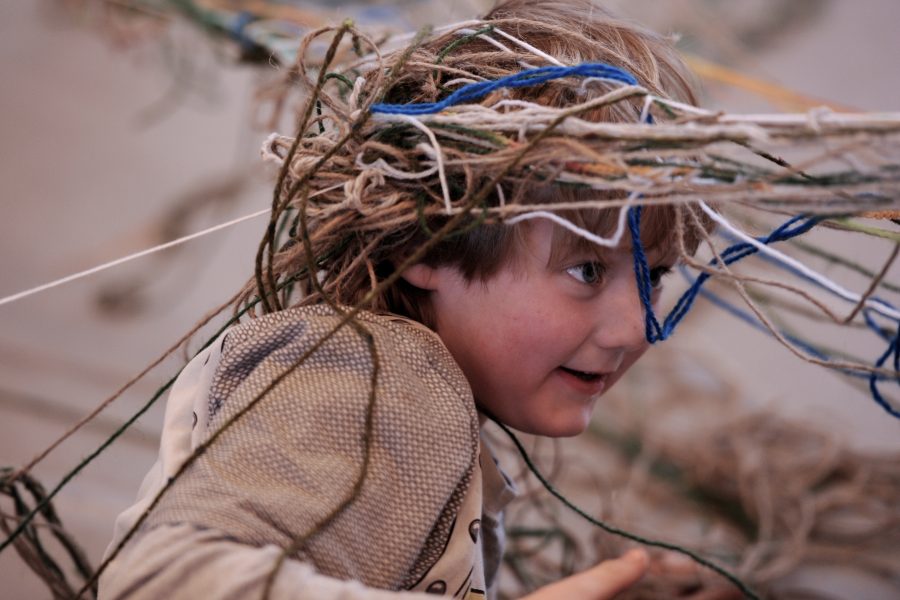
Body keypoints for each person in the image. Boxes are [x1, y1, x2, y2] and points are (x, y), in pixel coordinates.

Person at [99, 1, 731, 598]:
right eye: (589, 270)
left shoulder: (394, 383)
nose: (636, 329)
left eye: (656, 279)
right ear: (429, 242)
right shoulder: (391, 383)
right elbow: (159, 583)